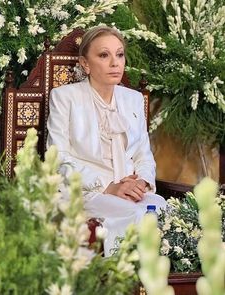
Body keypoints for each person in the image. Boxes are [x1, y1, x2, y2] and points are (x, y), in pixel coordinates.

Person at [47, 25, 167, 256]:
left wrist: (141, 183)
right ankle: (120, 281)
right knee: (129, 213)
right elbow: (58, 157)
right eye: (104, 55)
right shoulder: (65, 97)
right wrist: (108, 186)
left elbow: (143, 153)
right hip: (85, 191)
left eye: (119, 54)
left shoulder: (133, 99)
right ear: (85, 63)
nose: (115, 63)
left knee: (162, 207)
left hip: (130, 189)